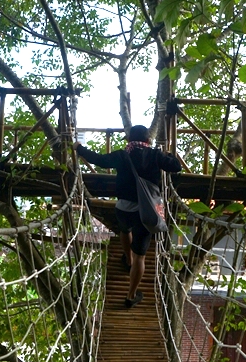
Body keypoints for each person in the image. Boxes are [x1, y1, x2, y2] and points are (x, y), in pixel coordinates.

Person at [73, 125, 182, 308]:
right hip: (147, 213)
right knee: (141, 255)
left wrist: (78, 148)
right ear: (148, 141)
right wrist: (168, 154)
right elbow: (176, 167)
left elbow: (98, 159)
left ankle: (127, 259)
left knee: (124, 230)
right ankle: (131, 295)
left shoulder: (122, 155)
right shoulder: (156, 155)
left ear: (129, 140)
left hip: (123, 208)